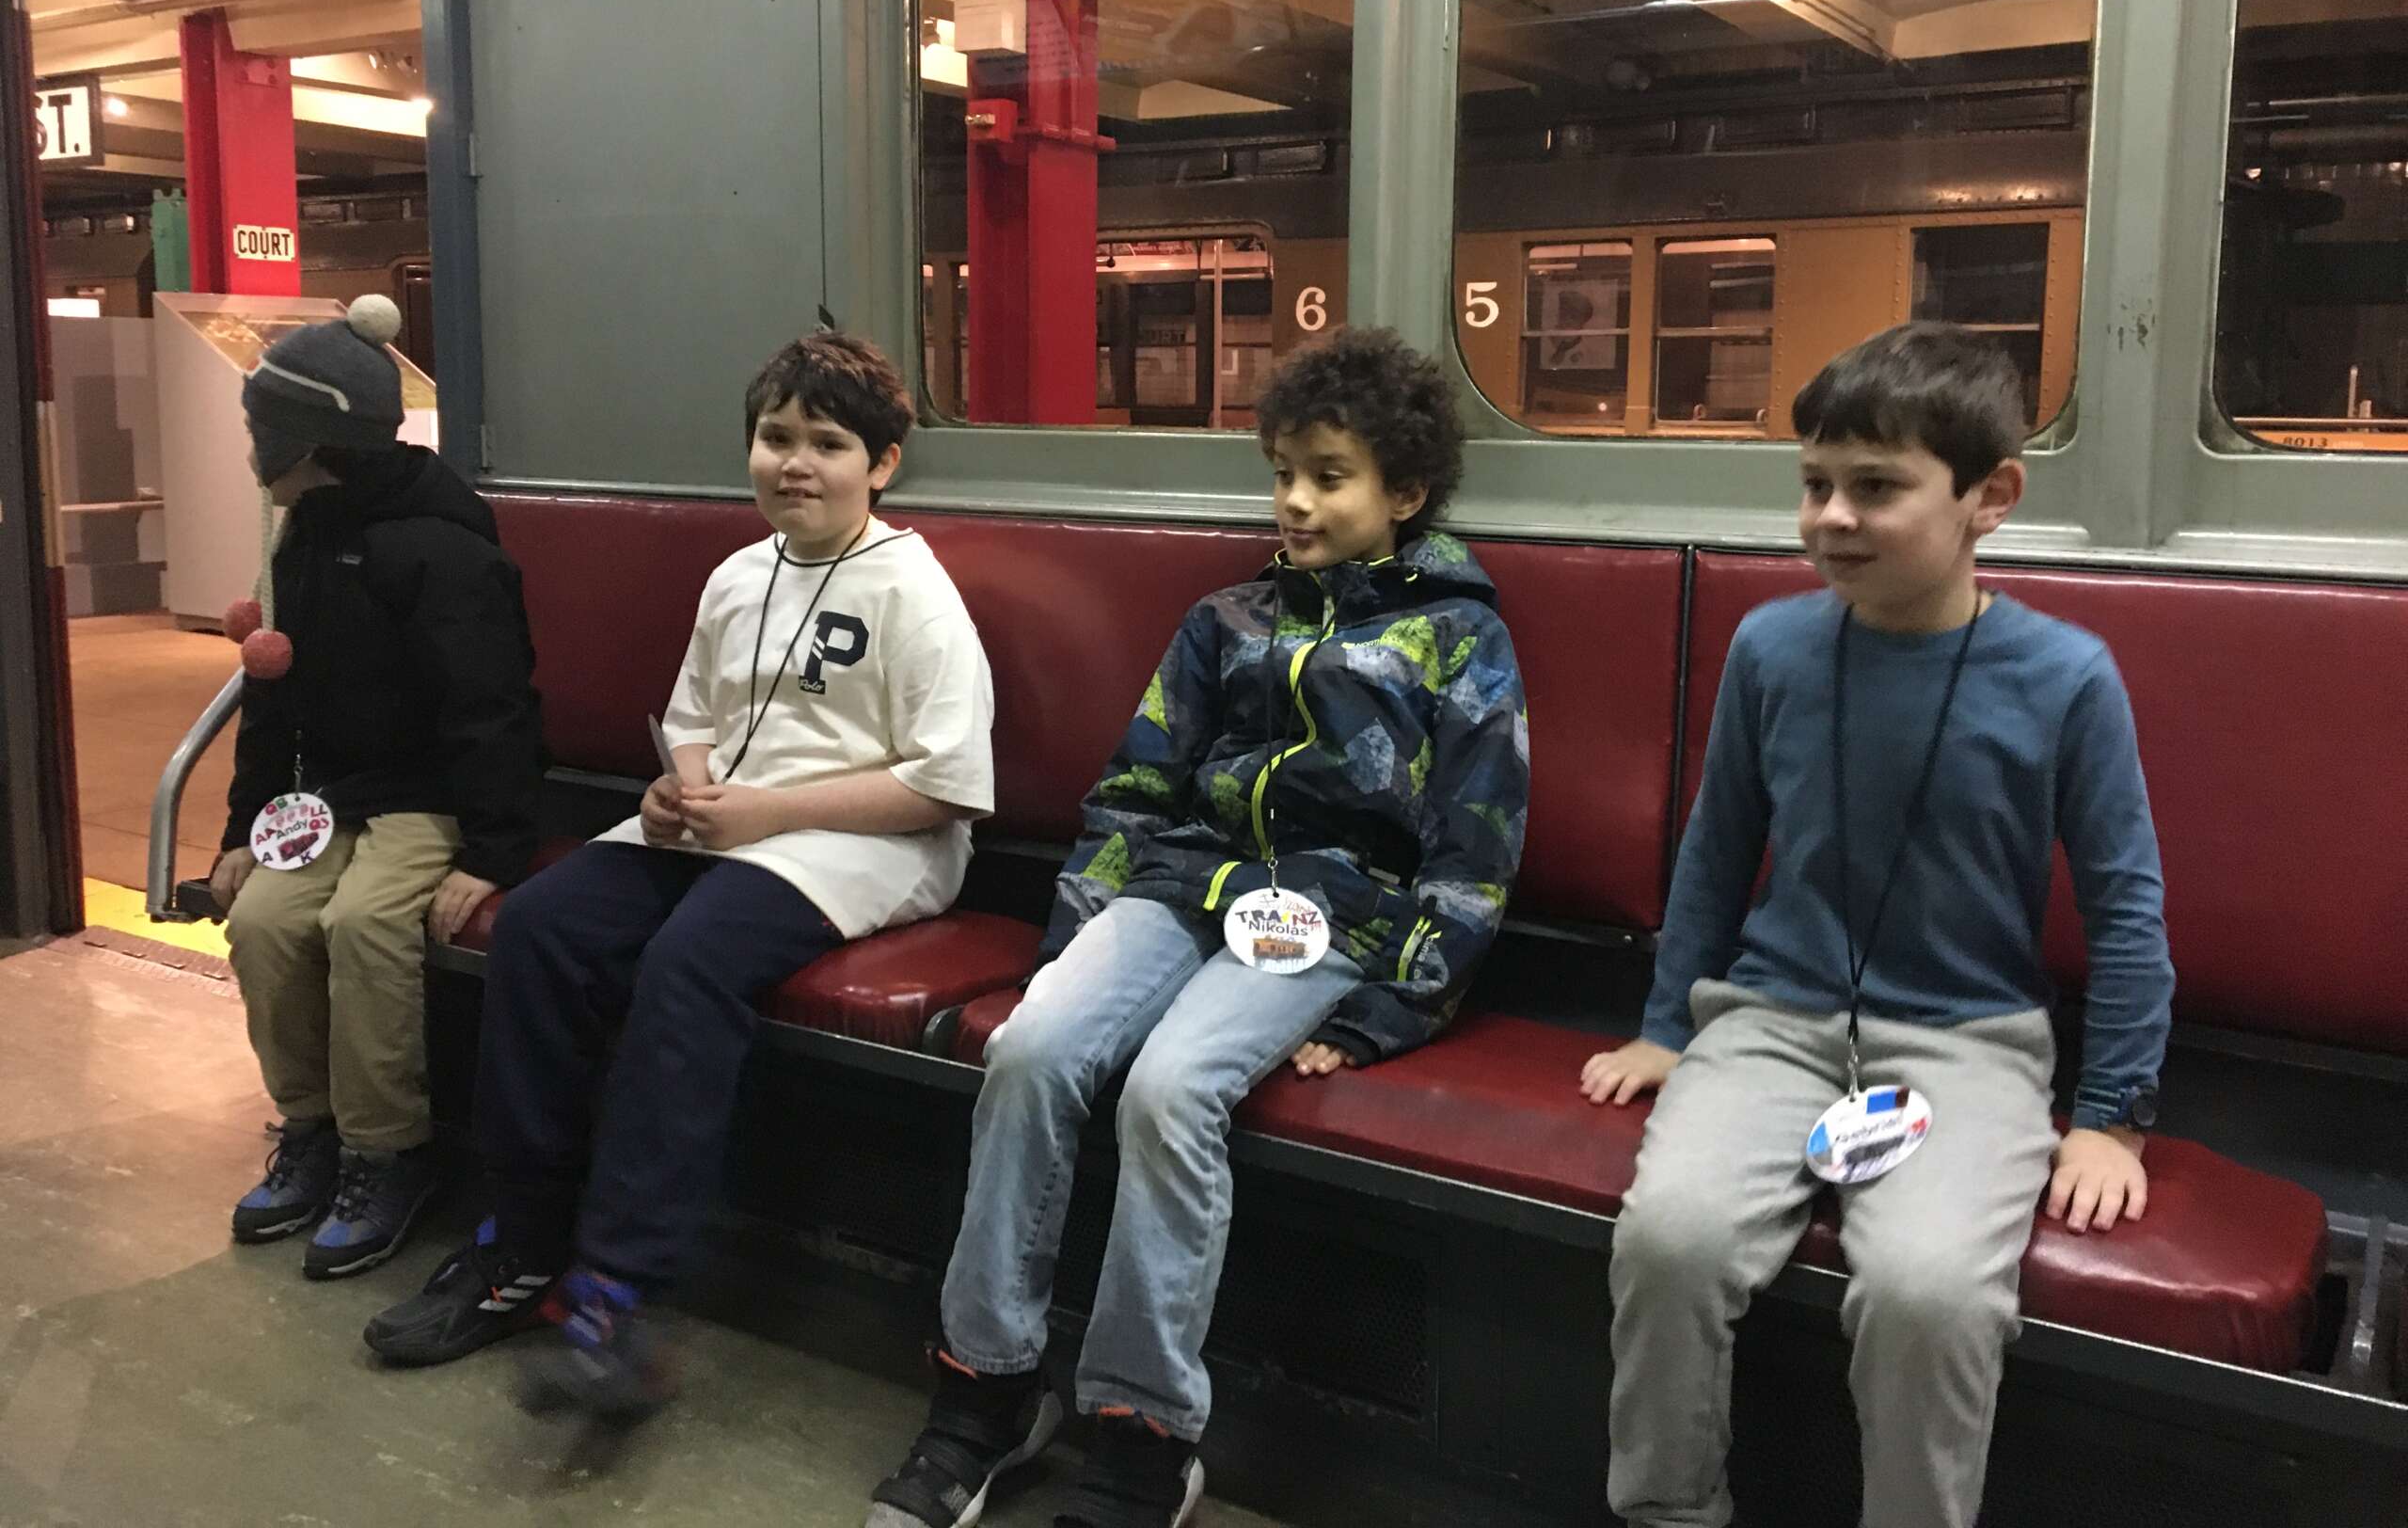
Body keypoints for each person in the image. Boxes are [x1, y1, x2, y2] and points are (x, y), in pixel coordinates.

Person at [864, 329, 1529, 1528]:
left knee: (1170, 1091)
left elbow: (1475, 846)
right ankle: (988, 1386)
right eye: (1282, 471)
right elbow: (1133, 793)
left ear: (1404, 494)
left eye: (1329, 475)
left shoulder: (1459, 638)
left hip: (1330, 918)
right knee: (1028, 1049)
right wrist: (1072, 948)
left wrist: (1393, 1011)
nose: (1294, 499)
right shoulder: (1224, 620)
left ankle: (1142, 1431)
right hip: (1180, 887)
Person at [1581, 323, 2175, 1528]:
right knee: (1669, 1242)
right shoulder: (1771, 648)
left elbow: (2125, 907)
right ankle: (1668, 1511)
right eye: (1814, 486)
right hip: (1769, 1022)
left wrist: (2113, 1118)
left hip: (1968, 1044)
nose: (1831, 518)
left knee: (1928, 1293)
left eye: (1876, 487)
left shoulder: (2066, 677)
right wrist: (1666, 1027)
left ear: (1987, 499)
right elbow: (1715, 853)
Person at [363, 331, 993, 1427]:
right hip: (724, 827)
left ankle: (616, 1291)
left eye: (828, 444)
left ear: (881, 465)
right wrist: (677, 790)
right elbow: (695, 721)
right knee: (542, 927)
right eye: (775, 437)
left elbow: (944, 785)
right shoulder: (738, 575)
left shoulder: (914, 591)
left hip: (868, 846)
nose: (795, 463)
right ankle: (521, 1244)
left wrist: (763, 812)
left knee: (689, 958)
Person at [215, 295, 544, 1281]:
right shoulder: (304, 538)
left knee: (364, 923)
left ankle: (386, 1152)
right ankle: (309, 1127)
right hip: (338, 792)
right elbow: (273, 701)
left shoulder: (440, 548)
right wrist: (243, 829)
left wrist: (492, 854)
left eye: (259, 433)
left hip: (431, 797)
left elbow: (492, 710)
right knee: (266, 919)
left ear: (311, 441)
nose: (249, 452)